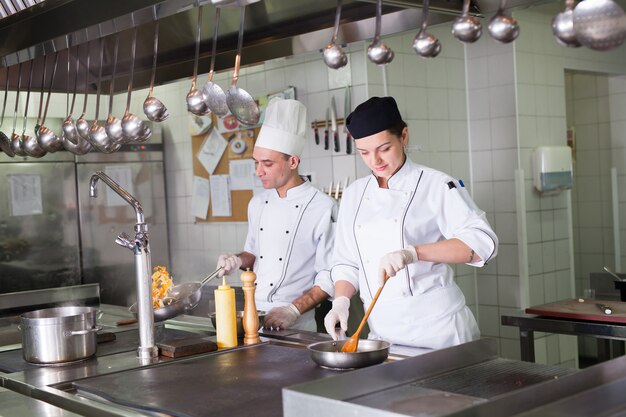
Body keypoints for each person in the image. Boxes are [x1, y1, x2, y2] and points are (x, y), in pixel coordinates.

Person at [324, 96, 498, 350]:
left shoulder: (436, 185)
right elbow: (347, 262)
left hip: (439, 331)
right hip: (383, 333)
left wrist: (414, 253)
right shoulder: (353, 194)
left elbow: (483, 243)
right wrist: (340, 301)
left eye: (384, 148)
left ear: (403, 136)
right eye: (364, 152)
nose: (375, 161)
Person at [217, 98, 337, 331]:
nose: (258, 171)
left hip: (297, 322)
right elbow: (254, 253)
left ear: (293, 161)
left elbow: (329, 276)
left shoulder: (323, 207)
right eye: (256, 162)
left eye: (267, 163)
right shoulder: (258, 203)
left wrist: (292, 310)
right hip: (255, 315)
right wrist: (237, 260)